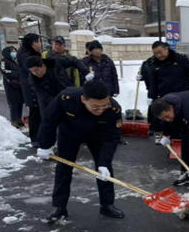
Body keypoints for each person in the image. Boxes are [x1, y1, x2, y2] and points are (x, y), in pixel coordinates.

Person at [36, 80, 125, 222]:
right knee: (64, 168)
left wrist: (104, 162)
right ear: (84, 99)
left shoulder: (113, 109)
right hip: (69, 134)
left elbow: (112, 137)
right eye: (96, 107)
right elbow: (49, 121)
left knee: (105, 170)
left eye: (104, 105)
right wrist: (45, 145)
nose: (101, 110)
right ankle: (59, 207)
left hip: (98, 136)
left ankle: (107, 204)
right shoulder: (66, 99)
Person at [145, 41, 189, 144]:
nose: (158, 55)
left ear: (166, 48)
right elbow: (153, 82)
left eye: (160, 52)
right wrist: (151, 96)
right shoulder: (154, 63)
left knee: (180, 118)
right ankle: (167, 137)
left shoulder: (180, 59)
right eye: (155, 53)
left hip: (181, 95)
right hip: (164, 96)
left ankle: (180, 140)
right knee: (166, 118)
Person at [27, 55, 92, 114]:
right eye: (32, 71)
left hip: (67, 92)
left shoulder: (55, 62)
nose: (35, 73)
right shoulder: (33, 80)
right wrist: (61, 102)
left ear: (43, 66)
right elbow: (45, 97)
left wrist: (87, 73)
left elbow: (74, 60)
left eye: (36, 70)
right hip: (50, 103)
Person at [16, 33, 42, 147]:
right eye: (38, 41)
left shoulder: (31, 53)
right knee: (35, 112)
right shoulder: (24, 54)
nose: (40, 44)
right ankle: (35, 138)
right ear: (33, 43)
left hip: (35, 86)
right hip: (31, 87)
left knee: (39, 112)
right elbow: (32, 68)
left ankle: (40, 136)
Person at [0, 46, 25, 128]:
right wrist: (15, 73)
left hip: (19, 85)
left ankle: (19, 119)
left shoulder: (15, 61)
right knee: (13, 102)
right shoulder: (4, 61)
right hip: (11, 85)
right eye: (12, 51)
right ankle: (14, 120)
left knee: (19, 102)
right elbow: (4, 71)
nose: (14, 53)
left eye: (15, 51)